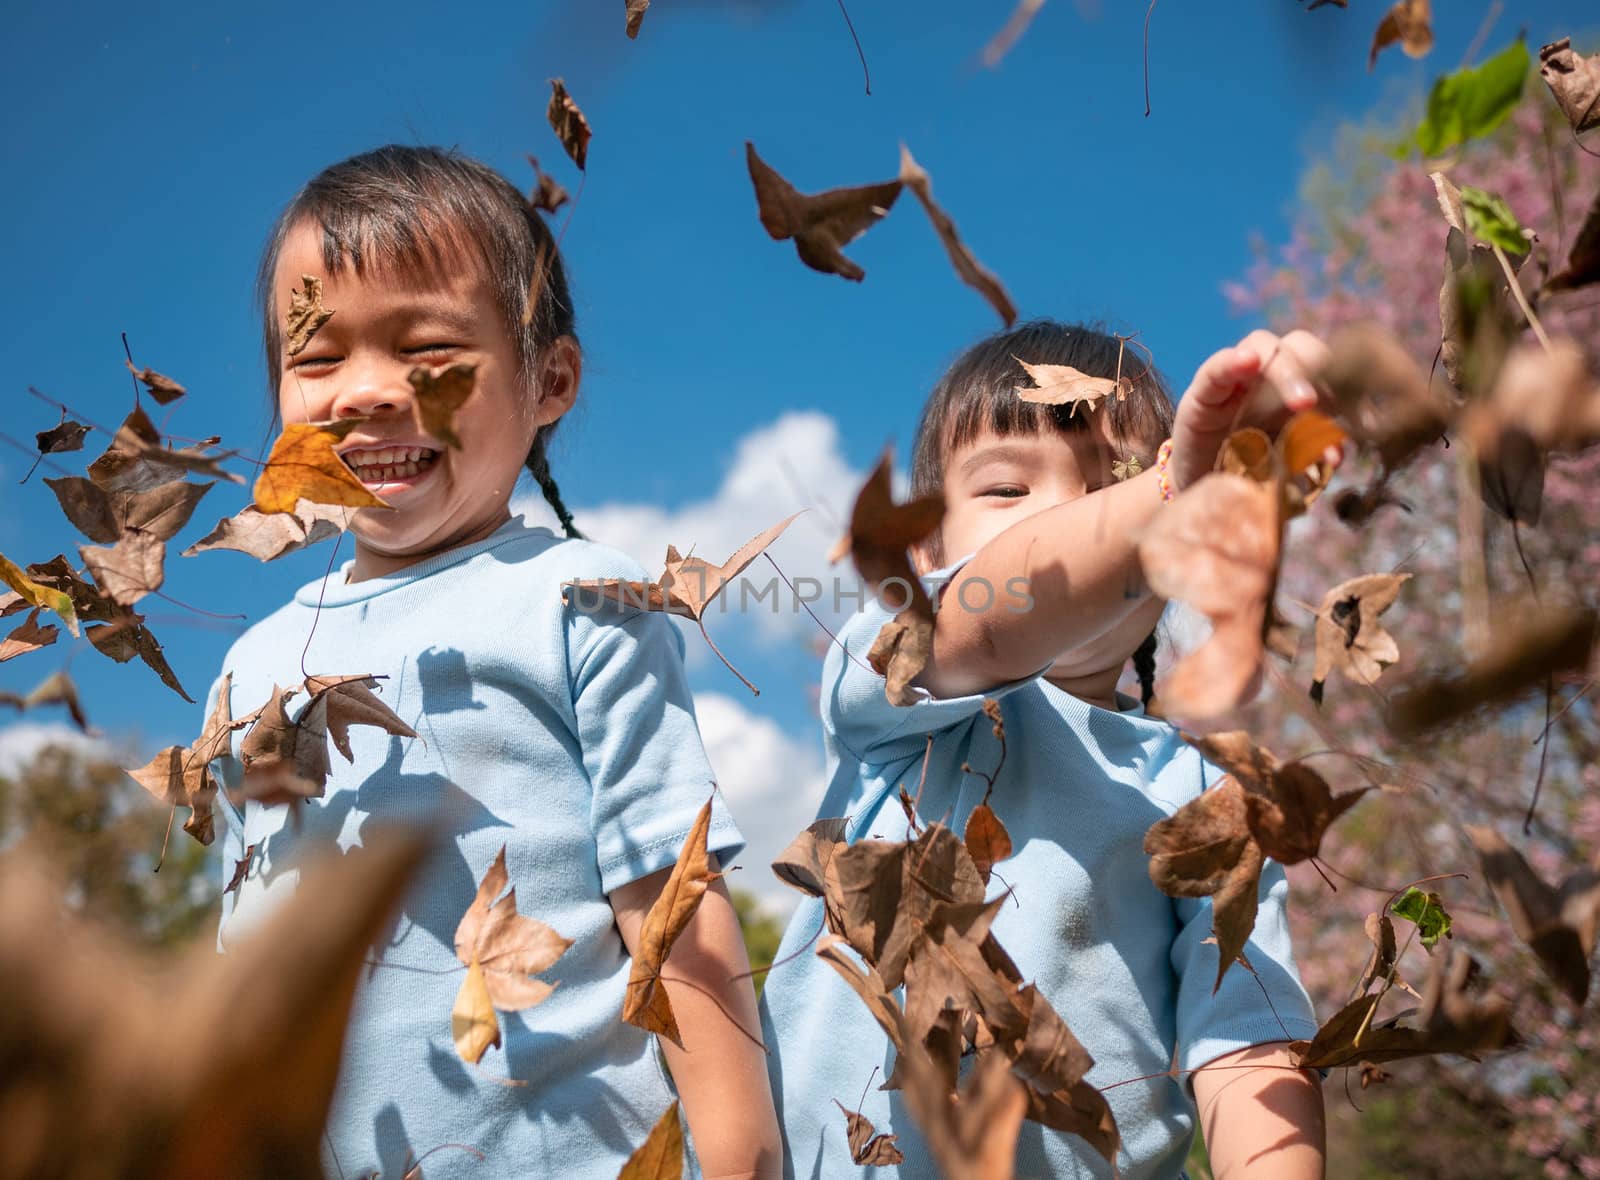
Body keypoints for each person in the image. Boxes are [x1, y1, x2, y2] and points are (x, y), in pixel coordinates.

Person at [208, 145, 781, 1179]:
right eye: (317, 356)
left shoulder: (576, 600)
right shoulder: (250, 668)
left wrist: (742, 1154)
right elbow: (241, 972)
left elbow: (672, 904)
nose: (369, 393)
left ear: (549, 379)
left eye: (428, 347)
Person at [760, 321, 1330, 1179]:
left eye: (1111, 485)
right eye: (1005, 489)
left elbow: (1248, 1037)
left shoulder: (1207, 793)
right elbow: (987, 625)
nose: (1074, 516)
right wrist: (1167, 490)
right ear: (924, 550)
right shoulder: (900, 678)